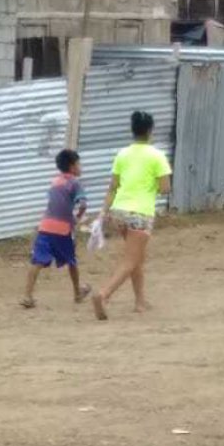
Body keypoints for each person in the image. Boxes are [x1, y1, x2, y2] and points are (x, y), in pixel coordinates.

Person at [91, 111, 172, 321]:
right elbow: (165, 188)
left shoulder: (122, 155)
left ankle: (140, 301)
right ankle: (104, 294)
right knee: (130, 260)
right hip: (141, 212)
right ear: (150, 130)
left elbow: (112, 187)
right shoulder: (157, 156)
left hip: (119, 212)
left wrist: (103, 212)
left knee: (137, 258)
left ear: (133, 130)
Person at [21, 148, 89, 309]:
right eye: (79, 164)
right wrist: (77, 218)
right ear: (73, 167)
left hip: (45, 227)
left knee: (37, 261)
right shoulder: (75, 183)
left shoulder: (55, 181)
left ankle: (27, 296)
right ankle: (77, 293)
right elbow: (83, 204)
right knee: (71, 261)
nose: (81, 167)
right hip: (62, 229)